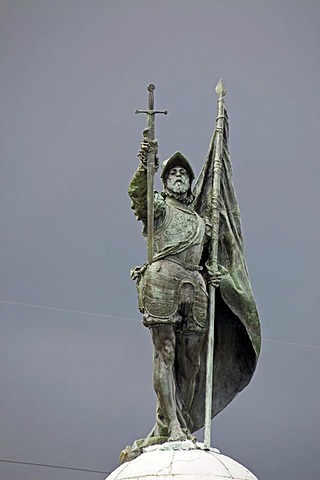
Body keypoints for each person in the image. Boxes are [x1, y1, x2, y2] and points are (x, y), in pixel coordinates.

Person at [128, 138, 221, 443]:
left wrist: (216, 273)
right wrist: (146, 166)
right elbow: (138, 195)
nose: (179, 175)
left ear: (190, 182)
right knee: (165, 351)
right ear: (165, 182)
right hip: (163, 276)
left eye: (184, 173)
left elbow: (210, 259)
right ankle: (173, 426)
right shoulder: (157, 207)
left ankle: (176, 416)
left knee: (191, 361)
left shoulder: (201, 221)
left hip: (195, 284)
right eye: (172, 173)